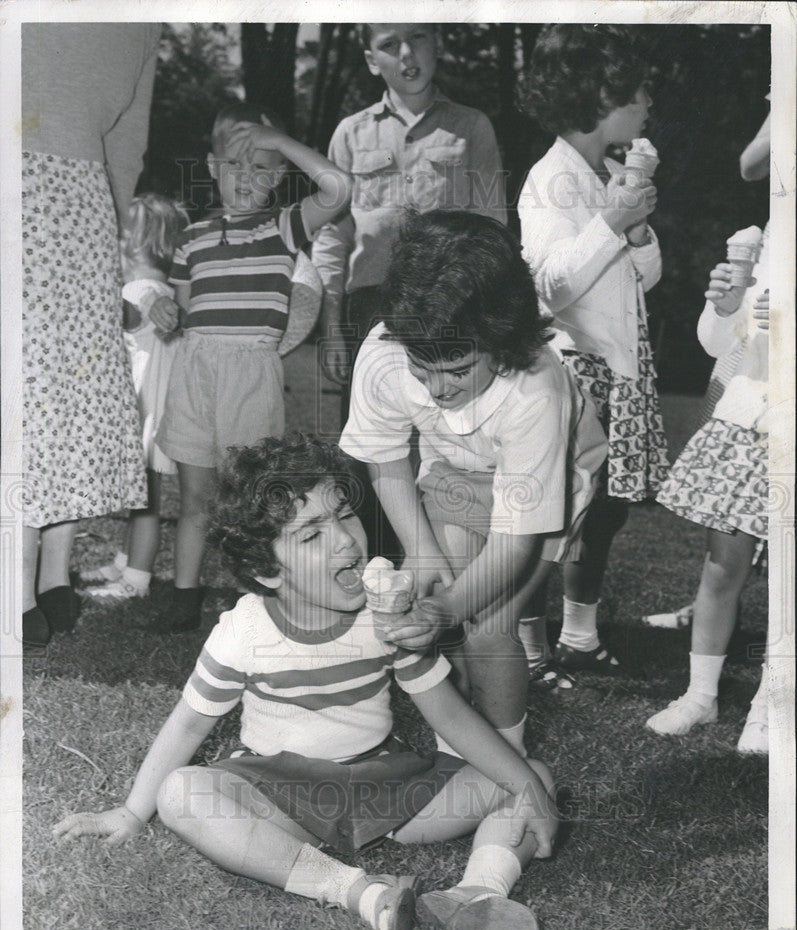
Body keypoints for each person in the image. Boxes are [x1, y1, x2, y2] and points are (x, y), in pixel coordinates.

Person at [53, 435, 559, 930]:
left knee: (530, 775)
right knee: (182, 794)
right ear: (268, 570)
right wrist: (134, 812)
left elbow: (450, 716)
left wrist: (523, 784)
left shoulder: (387, 619)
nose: (345, 542)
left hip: (385, 788)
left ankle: (478, 891)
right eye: (312, 535)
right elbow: (188, 724)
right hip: (279, 795)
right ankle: (357, 891)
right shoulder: (244, 631)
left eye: (345, 516)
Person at [339, 211, 607, 745]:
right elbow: (387, 458)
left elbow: (513, 542)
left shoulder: (537, 388)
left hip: (548, 478)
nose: (438, 389)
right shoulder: (384, 351)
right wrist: (420, 550)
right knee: (446, 609)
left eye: (459, 369)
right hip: (456, 470)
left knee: (487, 624)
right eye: (423, 367)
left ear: (500, 339)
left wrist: (446, 609)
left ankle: (507, 759)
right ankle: (459, 750)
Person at [147, 102, 352, 633]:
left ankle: (256, 601)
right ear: (213, 167)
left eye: (262, 166)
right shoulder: (190, 238)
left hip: (251, 373)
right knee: (194, 496)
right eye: (235, 164)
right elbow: (179, 311)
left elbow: (339, 188)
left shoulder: (284, 227)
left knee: (253, 497)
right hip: (195, 370)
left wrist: (277, 139)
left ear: (279, 174)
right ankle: (183, 596)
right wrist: (165, 310)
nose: (247, 177)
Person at [312, 22, 508, 561]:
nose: (407, 54)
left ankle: (452, 569)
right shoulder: (351, 133)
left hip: (450, 299)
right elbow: (334, 235)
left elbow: (492, 224)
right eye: (390, 44)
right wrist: (332, 325)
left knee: (450, 436)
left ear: (437, 45)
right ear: (372, 60)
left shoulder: (472, 127)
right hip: (368, 304)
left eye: (418, 38)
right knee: (371, 443)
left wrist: (486, 313)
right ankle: (377, 572)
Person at [518, 24, 669, 678]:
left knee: (600, 514)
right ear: (601, 94)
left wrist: (634, 230)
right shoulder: (551, 178)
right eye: (638, 91)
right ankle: (518, 641)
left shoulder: (604, 171)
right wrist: (609, 222)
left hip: (614, 367)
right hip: (568, 369)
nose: (646, 105)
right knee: (553, 519)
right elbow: (552, 284)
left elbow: (646, 278)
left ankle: (577, 636)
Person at [21, 24, 160, 646]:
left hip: (59, 197)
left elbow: (127, 141)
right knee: (42, 396)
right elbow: (125, 148)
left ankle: (38, 583)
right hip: (61, 196)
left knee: (48, 399)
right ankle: (34, 582)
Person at [641, 100, 771, 632]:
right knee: (729, 527)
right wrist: (724, 305)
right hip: (746, 392)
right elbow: (752, 162)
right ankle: (712, 613)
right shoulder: (764, 243)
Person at [646, 228, 769, 753]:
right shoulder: (767, 246)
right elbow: (719, 345)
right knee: (722, 565)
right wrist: (727, 307)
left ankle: (773, 698)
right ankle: (701, 694)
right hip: (751, 420)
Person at [82, 194, 189, 601]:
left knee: (145, 498)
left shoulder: (142, 288)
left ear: (134, 242)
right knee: (141, 493)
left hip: (144, 412)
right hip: (152, 408)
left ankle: (137, 578)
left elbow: (132, 307)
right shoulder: (160, 287)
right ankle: (128, 561)